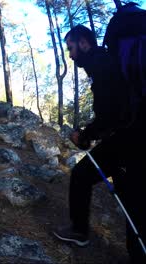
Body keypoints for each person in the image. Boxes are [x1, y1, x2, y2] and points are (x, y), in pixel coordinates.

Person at [53, 25, 145, 263]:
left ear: (84, 43)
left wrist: (85, 136)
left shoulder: (102, 64)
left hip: (130, 142)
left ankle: (83, 233)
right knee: (85, 176)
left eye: (71, 47)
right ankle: (80, 231)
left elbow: (113, 114)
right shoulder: (106, 62)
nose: (70, 55)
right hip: (127, 139)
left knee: (132, 203)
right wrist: (91, 133)